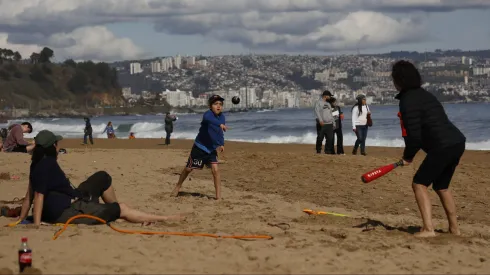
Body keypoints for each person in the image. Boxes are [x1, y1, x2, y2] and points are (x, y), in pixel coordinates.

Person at [11, 130, 185, 226]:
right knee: (122, 208)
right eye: (57, 144)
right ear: (52, 146)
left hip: (73, 198)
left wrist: (21, 219)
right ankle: (165, 218)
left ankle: (111, 212)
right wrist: (35, 224)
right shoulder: (46, 165)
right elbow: (38, 196)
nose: (59, 146)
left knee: (102, 177)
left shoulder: (37, 164)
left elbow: (29, 196)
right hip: (68, 211)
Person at [393, 60, 466, 238]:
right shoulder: (425, 95)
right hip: (457, 141)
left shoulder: (407, 100)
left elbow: (414, 136)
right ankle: (454, 229)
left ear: (399, 80)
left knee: (419, 183)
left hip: (442, 146)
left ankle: (428, 229)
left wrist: (408, 157)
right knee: (442, 186)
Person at [170, 95, 227, 200]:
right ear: (210, 106)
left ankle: (218, 197)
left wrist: (221, 143)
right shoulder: (208, 114)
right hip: (200, 147)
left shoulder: (222, 117)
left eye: (220, 104)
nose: (218, 106)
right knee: (188, 169)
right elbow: (210, 120)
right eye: (215, 104)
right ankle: (177, 187)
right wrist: (220, 124)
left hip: (211, 149)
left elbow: (220, 132)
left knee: (216, 170)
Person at [314, 90, 335, 154]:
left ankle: (327, 151)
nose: (330, 97)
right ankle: (318, 150)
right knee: (320, 138)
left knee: (330, 138)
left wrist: (333, 122)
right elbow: (317, 112)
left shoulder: (328, 104)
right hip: (322, 124)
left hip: (329, 124)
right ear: (325, 96)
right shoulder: (318, 103)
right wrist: (320, 120)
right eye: (329, 96)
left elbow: (331, 114)